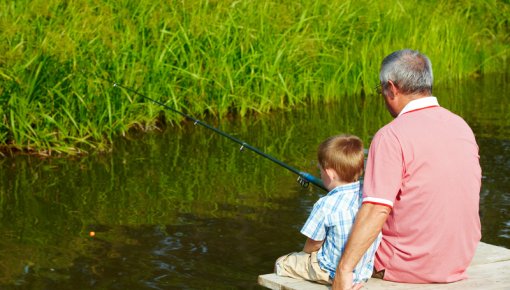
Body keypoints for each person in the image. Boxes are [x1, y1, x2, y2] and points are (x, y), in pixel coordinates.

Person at [332, 49, 482, 290]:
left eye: (381, 89)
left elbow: (376, 209)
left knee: (326, 234)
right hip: (458, 262)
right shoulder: (460, 126)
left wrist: (344, 270)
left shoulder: (390, 136)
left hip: (405, 267)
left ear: (392, 88)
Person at [274, 134, 382, 285]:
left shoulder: (325, 204)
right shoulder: (369, 197)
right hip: (362, 272)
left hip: (331, 272)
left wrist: (304, 255)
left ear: (329, 173)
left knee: (282, 263)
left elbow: (313, 246)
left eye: (320, 170)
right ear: (360, 170)